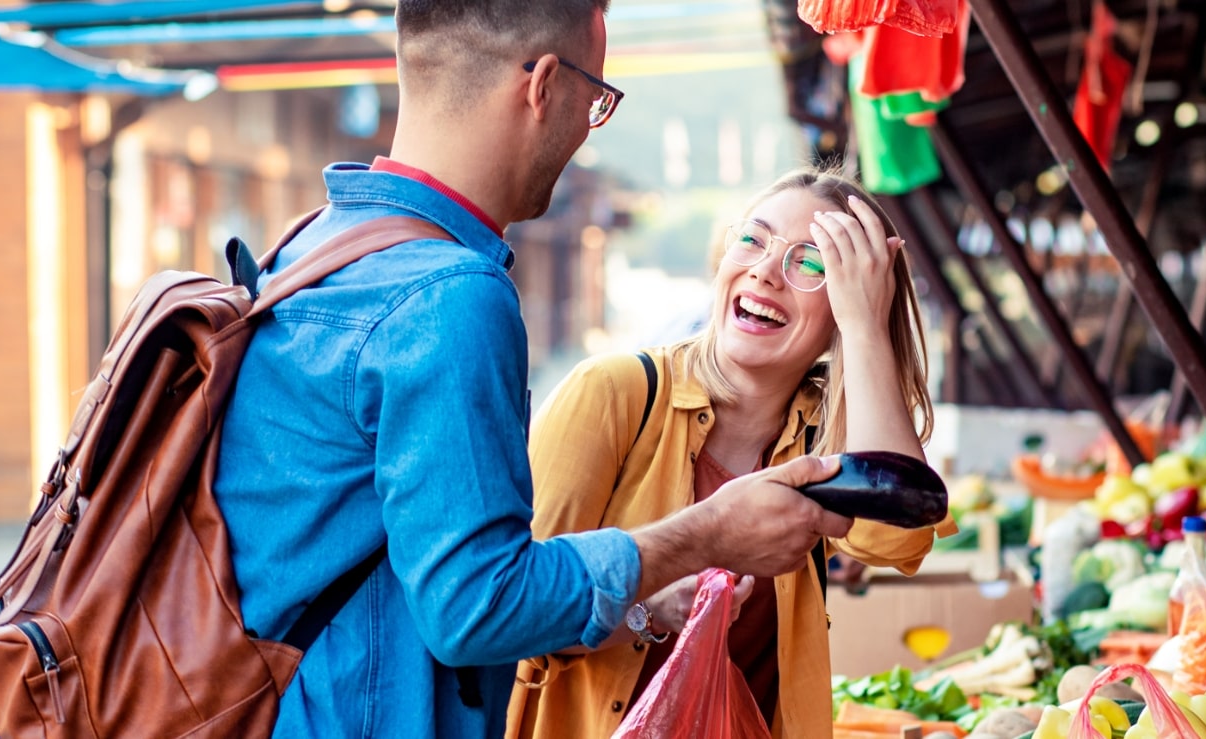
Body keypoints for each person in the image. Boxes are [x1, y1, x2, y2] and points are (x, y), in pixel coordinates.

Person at [210, 2, 853, 736]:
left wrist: (636, 606)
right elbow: (476, 606)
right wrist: (704, 534)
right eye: (597, 99)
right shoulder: (449, 297)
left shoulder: (315, 249)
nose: (587, 129)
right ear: (545, 85)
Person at [508, 169, 949, 738]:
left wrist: (865, 329)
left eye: (812, 265)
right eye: (752, 240)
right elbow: (515, 614)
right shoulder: (614, 393)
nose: (765, 272)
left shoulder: (821, 437)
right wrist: (648, 611)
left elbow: (897, 537)